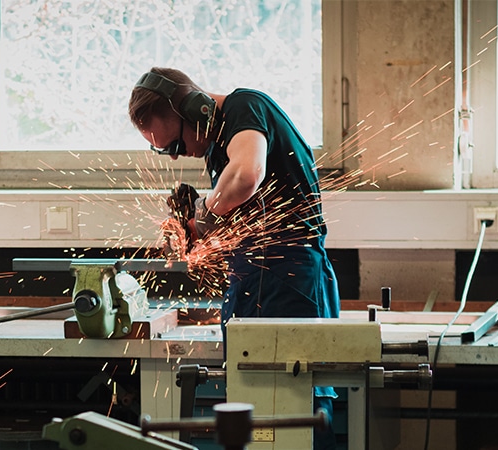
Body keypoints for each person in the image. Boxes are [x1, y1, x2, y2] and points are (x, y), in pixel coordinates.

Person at [128, 67, 340, 450]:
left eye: (174, 145)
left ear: (194, 108)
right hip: (256, 282)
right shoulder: (220, 148)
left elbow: (246, 176)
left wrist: (203, 213)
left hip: (286, 280)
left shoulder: (245, 108)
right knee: (257, 418)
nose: (176, 157)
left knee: (295, 415)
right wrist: (192, 228)